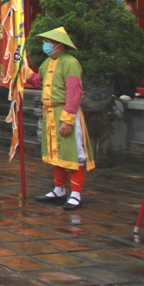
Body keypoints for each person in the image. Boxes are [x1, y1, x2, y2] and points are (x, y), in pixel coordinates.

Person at [30, 27, 94, 210]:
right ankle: (59, 189)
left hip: (64, 111)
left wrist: (68, 119)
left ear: (59, 45)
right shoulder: (48, 62)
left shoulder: (70, 62)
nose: (45, 45)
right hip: (49, 113)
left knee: (72, 153)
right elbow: (40, 81)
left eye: (49, 42)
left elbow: (74, 92)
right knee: (56, 153)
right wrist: (23, 73)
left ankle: (76, 194)